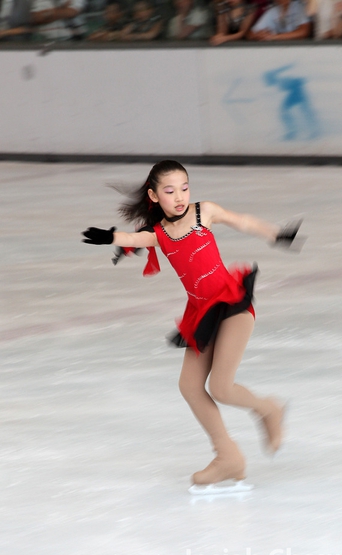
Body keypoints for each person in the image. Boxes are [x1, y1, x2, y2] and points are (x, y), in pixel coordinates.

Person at [82, 160, 302, 493]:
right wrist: (109, 237)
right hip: (201, 313)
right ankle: (228, 457)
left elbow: (240, 220)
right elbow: (132, 237)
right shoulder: (158, 234)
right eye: (170, 191)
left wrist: (275, 233)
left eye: (184, 188)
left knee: (222, 388)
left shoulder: (203, 213)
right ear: (154, 196)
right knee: (190, 386)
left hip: (232, 304)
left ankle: (269, 408)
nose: (179, 197)